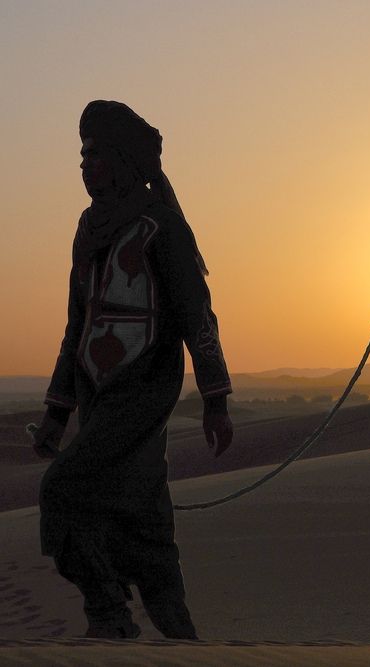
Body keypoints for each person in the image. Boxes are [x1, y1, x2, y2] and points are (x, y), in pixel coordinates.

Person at [31, 100, 234, 639]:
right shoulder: (87, 227)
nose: (83, 165)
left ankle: (109, 617)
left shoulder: (161, 224)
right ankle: (180, 639)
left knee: (63, 492)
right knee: (143, 526)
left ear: (122, 158)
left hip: (144, 393)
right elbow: (78, 324)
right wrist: (57, 412)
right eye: (81, 154)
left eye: (94, 153)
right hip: (97, 394)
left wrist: (216, 399)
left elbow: (197, 312)